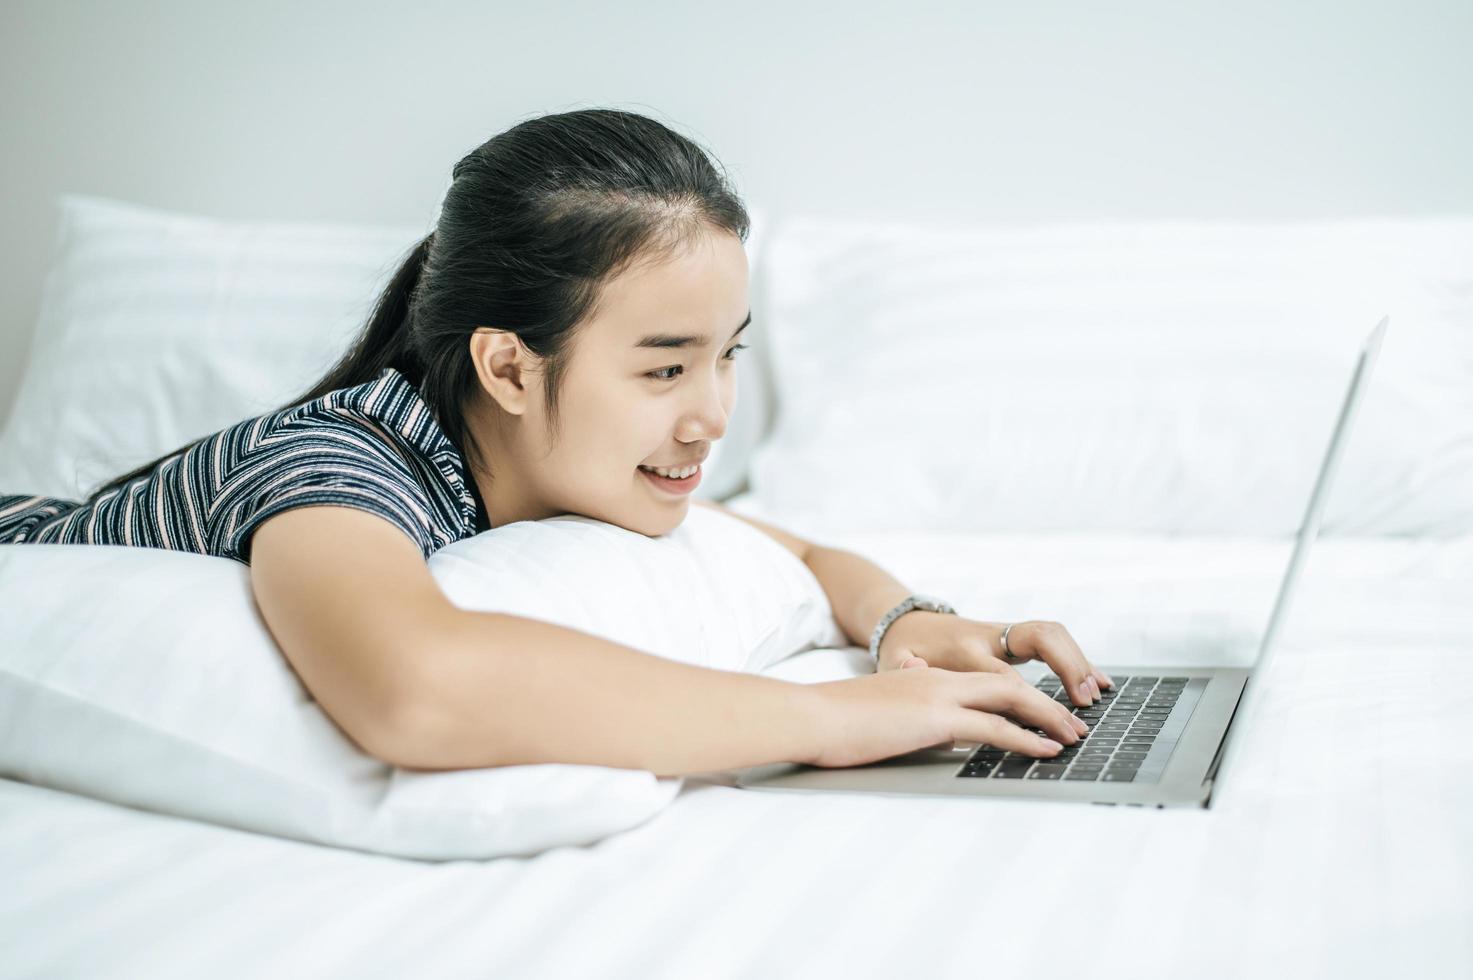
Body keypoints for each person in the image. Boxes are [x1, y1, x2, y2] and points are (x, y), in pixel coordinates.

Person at [0, 108, 1107, 777]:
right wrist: (831, 717)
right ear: (509, 367)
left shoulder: (542, 464)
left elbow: (808, 559)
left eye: (729, 354)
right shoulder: (332, 471)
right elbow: (415, 689)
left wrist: (913, 623)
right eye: (664, 366)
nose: (712, 413)